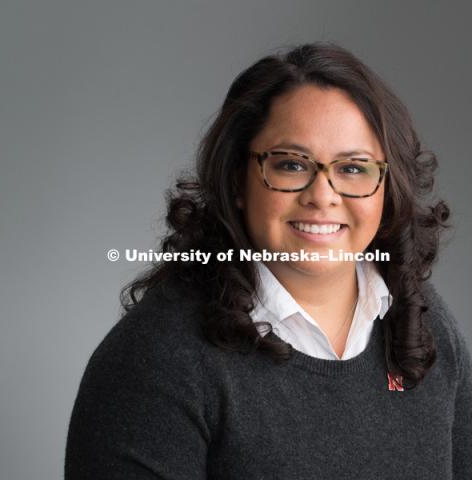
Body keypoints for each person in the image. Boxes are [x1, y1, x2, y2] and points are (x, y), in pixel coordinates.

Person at [64, 42, 472, 479]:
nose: (322, 195)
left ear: (388, 187)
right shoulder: (156, 360)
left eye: (354, 168)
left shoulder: (423, 323)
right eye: (291, 165)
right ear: (237, 180)